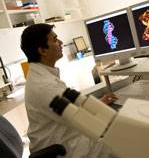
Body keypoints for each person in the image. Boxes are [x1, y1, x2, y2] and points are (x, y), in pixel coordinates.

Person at [20, 23, 118, 158]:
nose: (60, 43)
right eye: (54, 40)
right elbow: (84, 121)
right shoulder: (45, 85)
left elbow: (70, 108)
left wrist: (99, 104)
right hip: (65, 149)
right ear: (42, 50)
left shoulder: (41, 76)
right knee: (123, 144)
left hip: (63, 138)